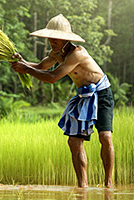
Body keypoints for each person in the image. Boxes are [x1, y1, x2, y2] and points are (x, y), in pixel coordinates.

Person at [10, 14, 115, 188]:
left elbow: (52, 77)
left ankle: (108, 184)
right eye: (50, 37)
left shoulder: (77, 53)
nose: (53, 40)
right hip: (83, 95)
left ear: (66, 39)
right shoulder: (55, 53)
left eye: (57, 37)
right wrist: (22, 62)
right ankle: (83, 187)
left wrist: (25, 69)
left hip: (101, 93)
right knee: (74, 141)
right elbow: (41, 67)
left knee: (105, 137)